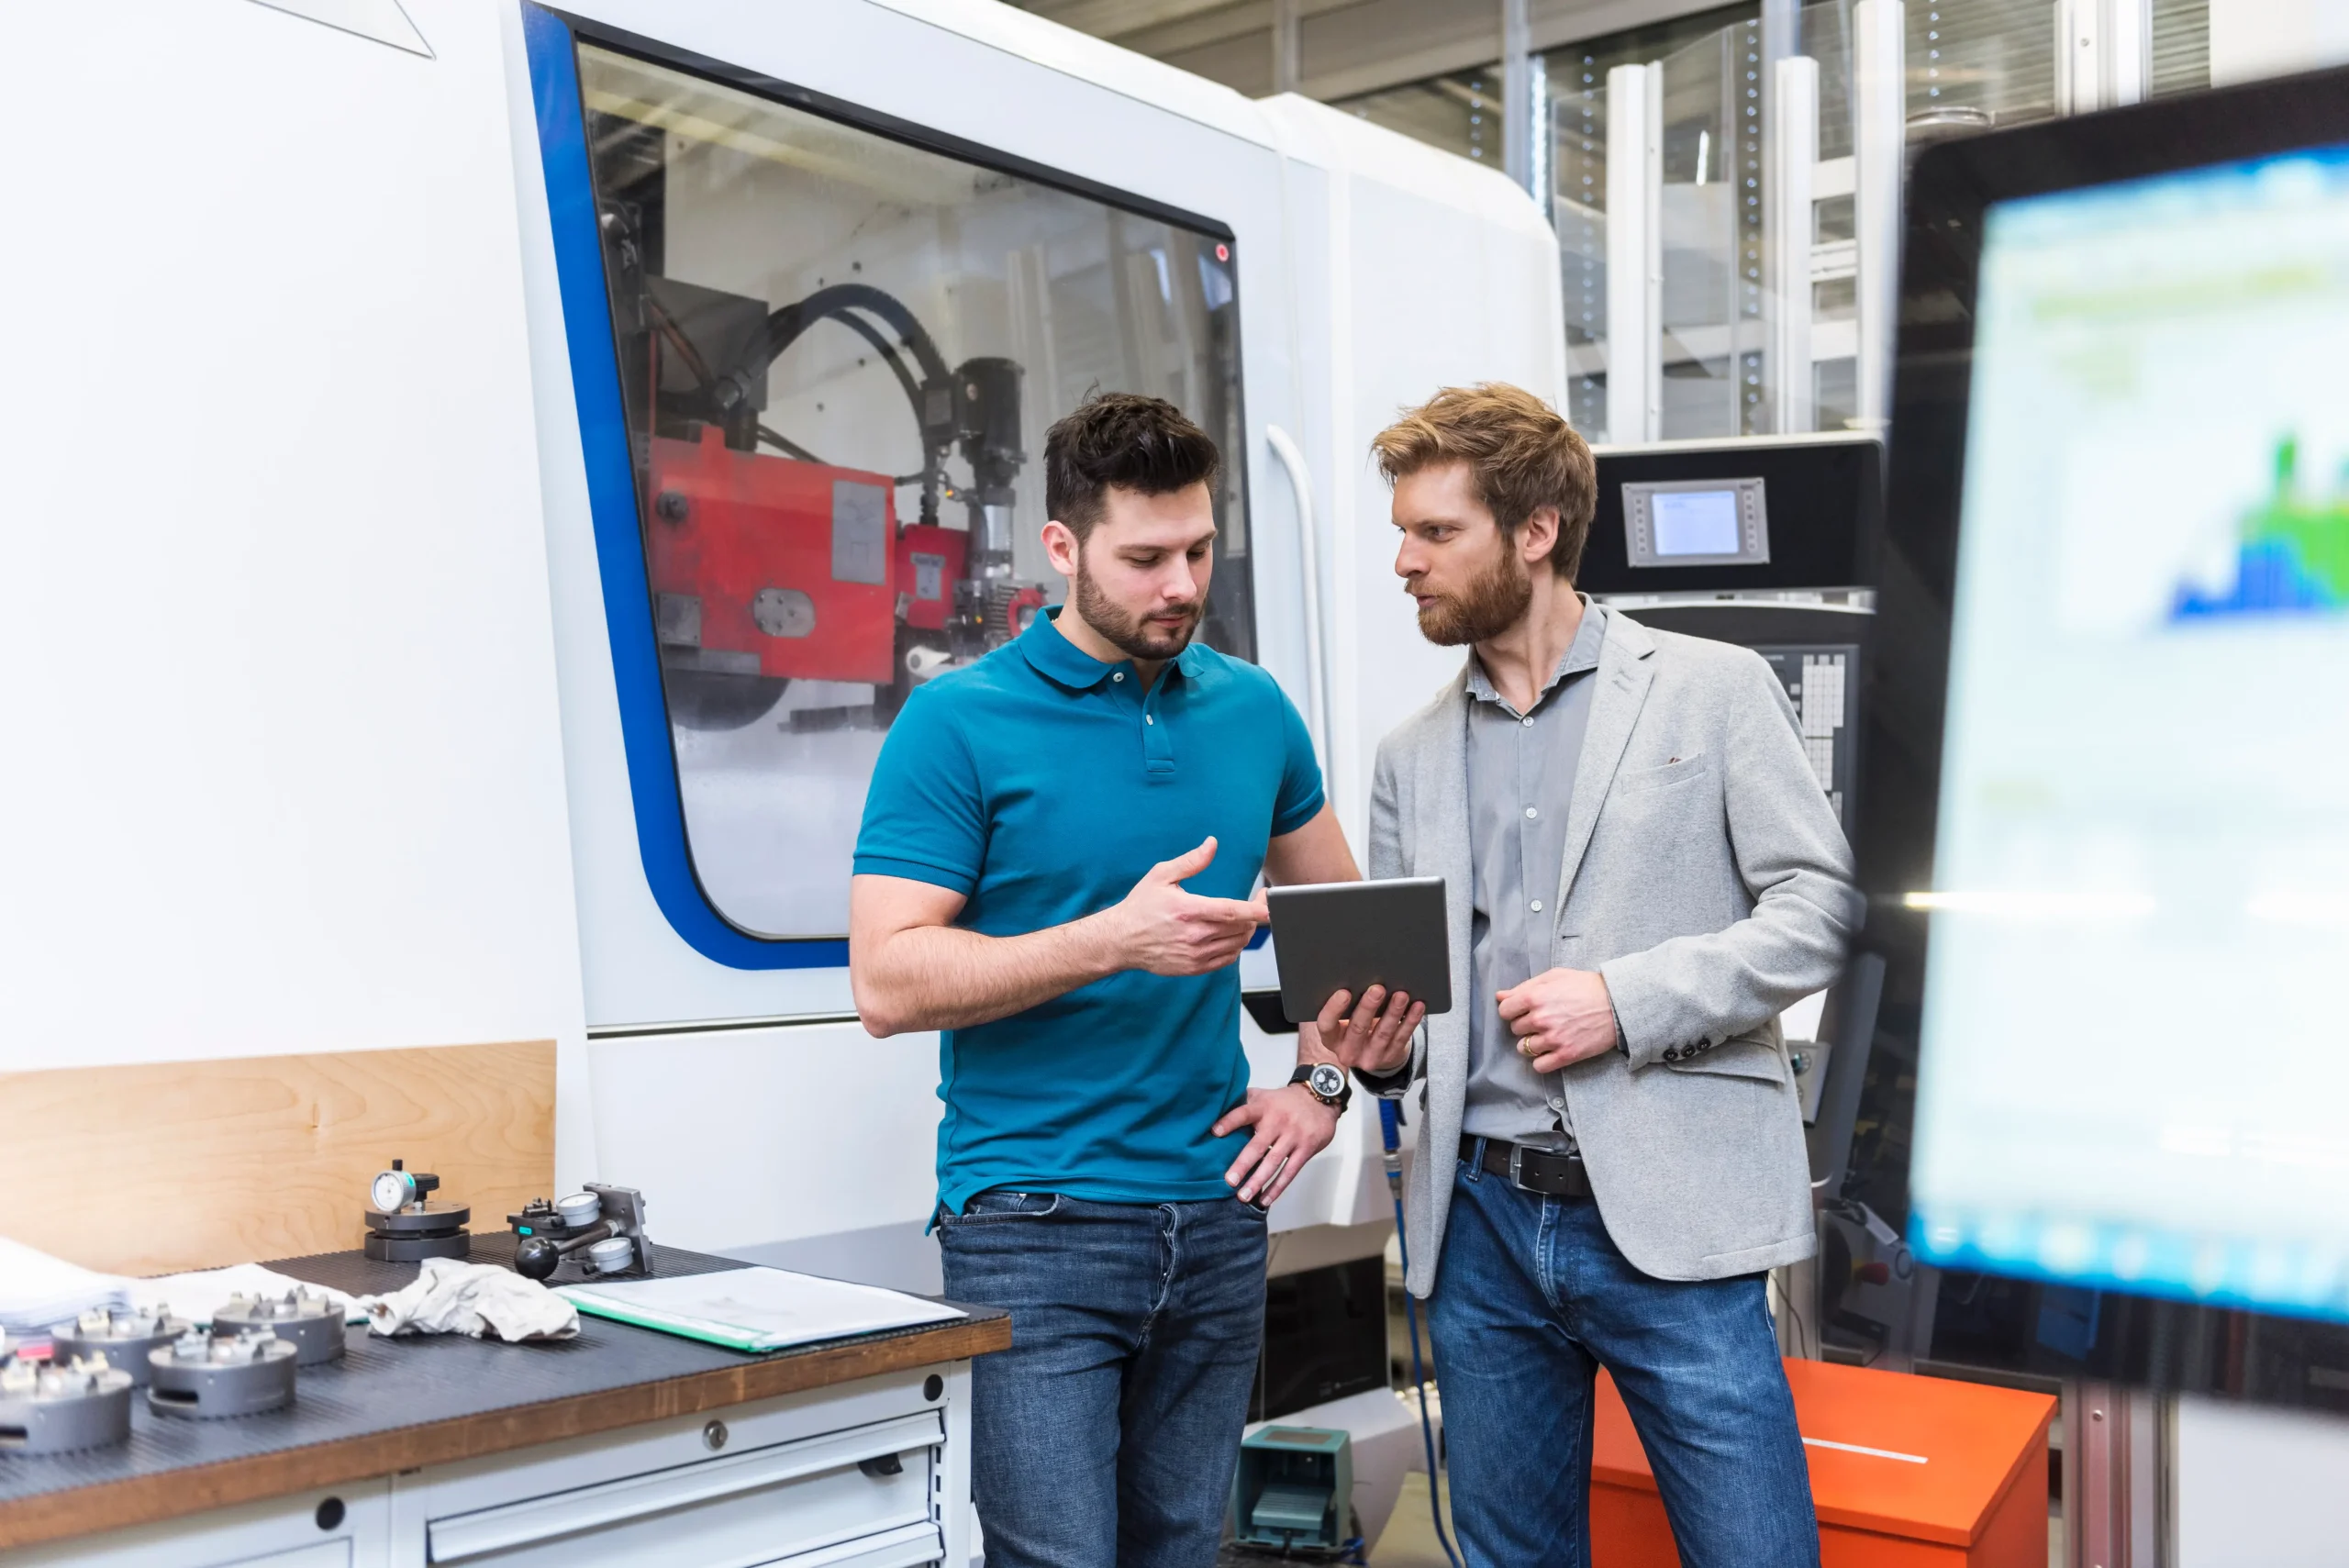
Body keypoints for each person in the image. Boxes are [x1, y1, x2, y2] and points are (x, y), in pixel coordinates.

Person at [849, 391, 1419, 1568]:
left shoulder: (1253, 706)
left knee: (1180, 1548)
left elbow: (1348, 938)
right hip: (1034, 1222)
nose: (1181, 584)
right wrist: (1113, 936)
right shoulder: (955, 723)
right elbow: (888, 981)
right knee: (1057, 1556)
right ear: (1062, 548)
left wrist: (1317, 1087)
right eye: (1145, 557)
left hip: (1216, 1214)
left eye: (1199, 550)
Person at [1329, 383, 1861, 1566]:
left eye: (1434, 531)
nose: (1405, 562)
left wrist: (1625, 1001)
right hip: (1479, 1221)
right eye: (1401, 532)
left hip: (1671, 1220)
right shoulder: (1407, 754)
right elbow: (1426, 995)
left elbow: (1821, 910)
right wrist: (1384, 1043)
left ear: (1533, 532)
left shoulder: (1708, 689)